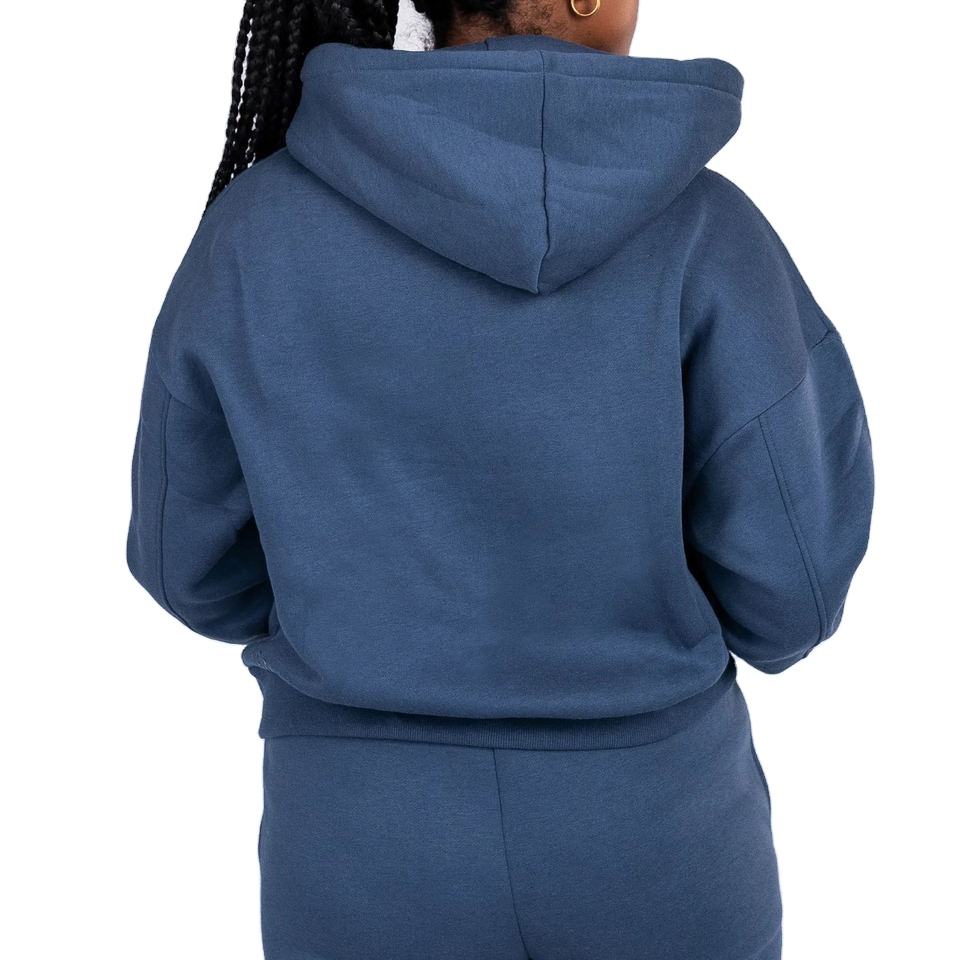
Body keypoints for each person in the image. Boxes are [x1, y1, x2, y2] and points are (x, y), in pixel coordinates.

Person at [126, 0, 873, 957]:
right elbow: (792, 590)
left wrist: (351, 609)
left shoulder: (254, 229)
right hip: (654, 831)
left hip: (362, 837)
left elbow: (185, 562)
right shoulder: (709, 231)